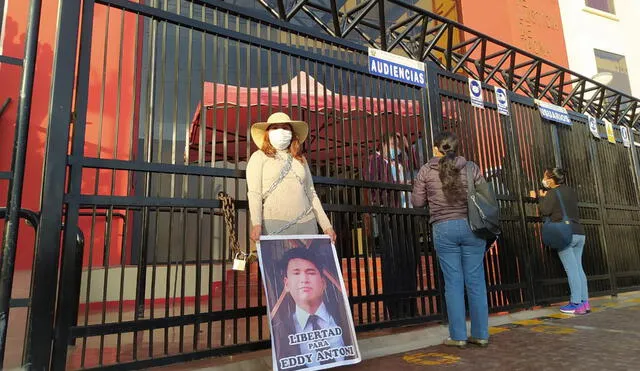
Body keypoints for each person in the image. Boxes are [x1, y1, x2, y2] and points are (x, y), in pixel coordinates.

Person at [411, 131, 489, 347]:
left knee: (453, 282)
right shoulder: (471, 167)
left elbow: (417, 202)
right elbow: (485, 194)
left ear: (436, 148)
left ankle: (458, 336)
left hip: (443, 228)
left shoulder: (426, 170)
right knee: (476, 281)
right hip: (472, 227)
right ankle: (481, 334)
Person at [246, 112, 336, 242]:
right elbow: (254, 193)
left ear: (292, 133)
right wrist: (256, 224)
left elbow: (311, 193)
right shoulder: (258, 157)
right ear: (267, 133)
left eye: (285, 127)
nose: (281, 131)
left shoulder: (300, 159)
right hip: (274, 223)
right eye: (275, 127)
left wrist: (327, 226)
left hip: (307, 223)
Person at [271, 247, 357, 370]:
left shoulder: (343, 317)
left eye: (310, 272)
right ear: (287, 284)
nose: (304, 280)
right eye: (296, 273)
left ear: (323, 283)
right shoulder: (281, 329)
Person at [363, 132, 417, 320]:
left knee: (409, 259)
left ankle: (410, 307)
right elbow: (373, 187)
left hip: (406, 212)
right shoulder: (374, 161)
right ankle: (395, 309)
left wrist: (406, 144)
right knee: (393, 261)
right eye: (393, 144)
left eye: (398, 145)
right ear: (383, 144)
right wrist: (397, 186)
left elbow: (416, 162)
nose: (396, 149)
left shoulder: (400, 163)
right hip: (390, 214)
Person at [537, 168, 589, 315]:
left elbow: (545, 210)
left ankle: (575, 303)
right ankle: (585, 303)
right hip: (579, 232)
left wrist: (541, 197)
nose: (543, 179)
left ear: (551, 179)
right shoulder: (571, 191)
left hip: (566, 234)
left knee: (571, 270)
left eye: (545, 177)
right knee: (579, 269)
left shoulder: (553, 192)